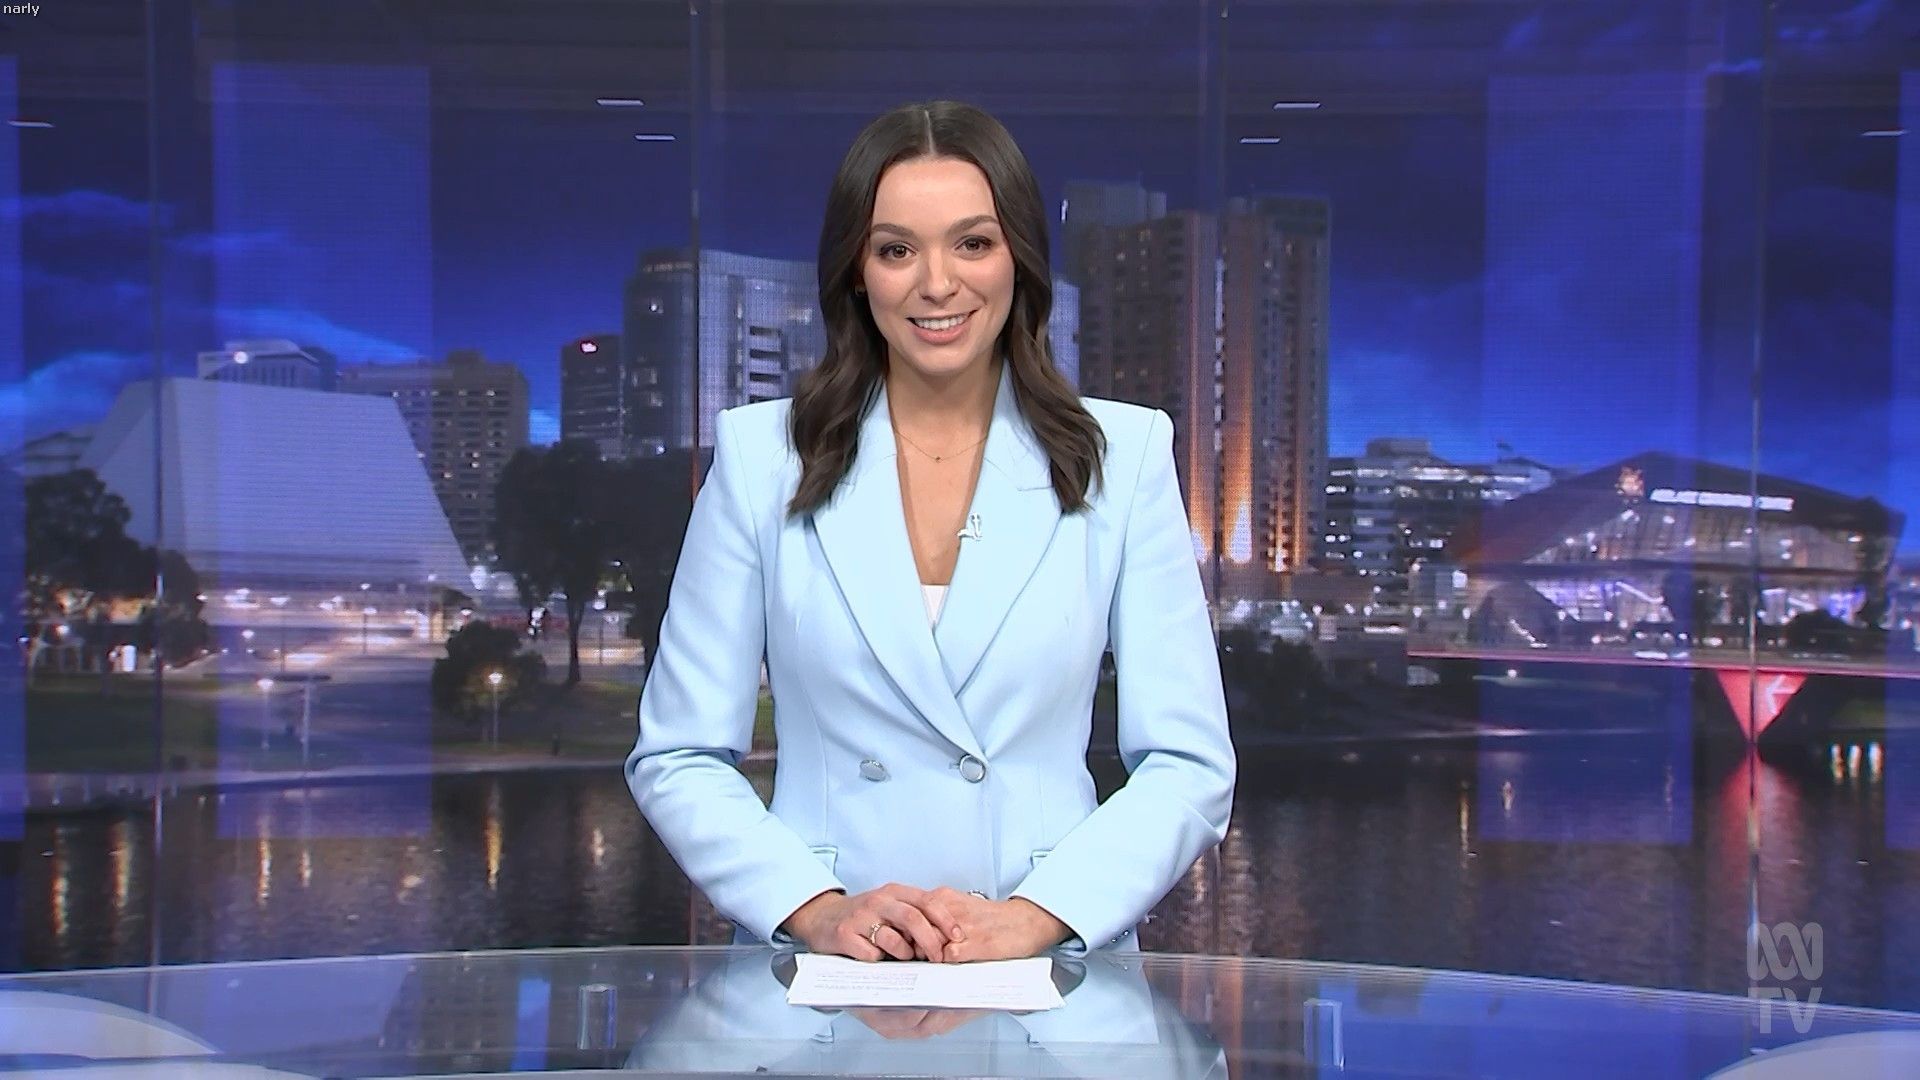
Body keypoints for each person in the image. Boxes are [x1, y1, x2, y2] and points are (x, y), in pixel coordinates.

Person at [625, 99, 1234, 963]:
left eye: (972, 243)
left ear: (1020, 259)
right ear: (856, 271)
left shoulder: (1123, 456)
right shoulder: (762, 458)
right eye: (896, 250)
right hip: (824, 969)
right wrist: (817, 910)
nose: (937, 284)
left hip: (1047, 967)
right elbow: (679, 754)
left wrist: (1037, 917)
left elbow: (1189, 764)